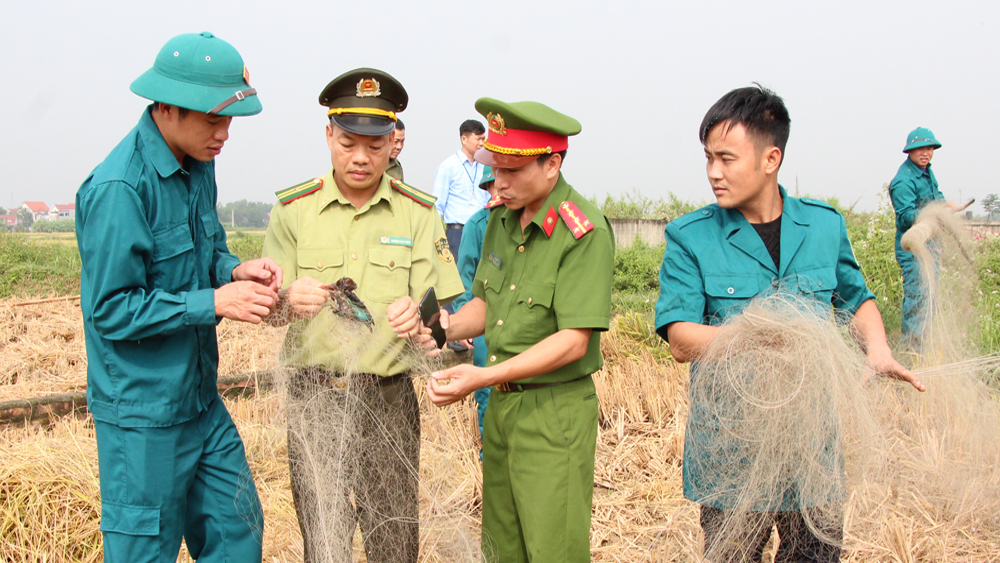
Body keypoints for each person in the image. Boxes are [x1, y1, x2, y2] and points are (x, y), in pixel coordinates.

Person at [655, 85, 926, 563]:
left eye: (726, 158)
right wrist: (754, 332)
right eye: (707, 158)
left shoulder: (823, 225)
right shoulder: (690, 236)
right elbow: (680, 339)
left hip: (811, 449)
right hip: (731, 454)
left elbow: (855, 297)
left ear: (770, 158)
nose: (713, 172)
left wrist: (878, 348)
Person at [75, 32, 280, 563]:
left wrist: (236, 269)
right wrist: (213, 302)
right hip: (143, 416)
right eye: (214, 120)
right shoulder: (119, 189)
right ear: (167, 106)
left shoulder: (198, 162)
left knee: (238, 530)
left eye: (230, 120)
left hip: (199, 399)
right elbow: (110, 309)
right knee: (144, 550)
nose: (224, 134)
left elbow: (207, 250)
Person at [261, 67, 464, 563]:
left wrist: (420, 316)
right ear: (328, 135)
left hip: (388, 399)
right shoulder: (294, 210)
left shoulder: (418, 212)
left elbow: (442, 315)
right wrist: (288, 299)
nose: (360, 158)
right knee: (323, 536)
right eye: (349, 142)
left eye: (374, 146)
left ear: (393, 141)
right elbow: (267, 311)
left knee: (393, 536)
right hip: (315, 396)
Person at [407, 98, 616, 563]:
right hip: (502, 407)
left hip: (553, 412)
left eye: (512, 170)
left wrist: (480, 377)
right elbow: (487, 302)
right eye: (494, 166)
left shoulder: (582, 232)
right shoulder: (500, 220)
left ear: (552, 164)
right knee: (502, 546)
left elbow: (573, 341)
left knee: (551, 548)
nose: (498, 181)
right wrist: (442, 328)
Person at [888, 127, 963, 350]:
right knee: (917, 299)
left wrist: (944, 205)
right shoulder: (903, 181)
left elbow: (935, 197)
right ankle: (912, 353)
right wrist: (931, 214)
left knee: (929, 299)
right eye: (920, 148)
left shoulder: (927, 172)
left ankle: (925, 347)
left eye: (929, 148)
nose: (925, 152)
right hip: (913, 250)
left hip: (930, 247)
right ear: (909, 151)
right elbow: (904, 218)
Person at [451, 166, 502, 442]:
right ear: (487, 187)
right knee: (487, 392)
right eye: (495, 183)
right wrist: (463, 320)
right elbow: (464, 276)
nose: (502, 188)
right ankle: (488, 453)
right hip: (485, 321)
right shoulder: (477, 225)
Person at [433, 119, 488, 351]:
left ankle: (475, 331)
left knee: (478, 280)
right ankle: (454, 334)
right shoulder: (449, 166)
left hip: (480, 229)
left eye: (484, 138)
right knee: (456, 281)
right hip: (456, 232)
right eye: (478, 138)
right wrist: (438, 240)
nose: (481, 143)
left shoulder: (486, 166)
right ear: (464, 139)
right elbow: (437, 205)